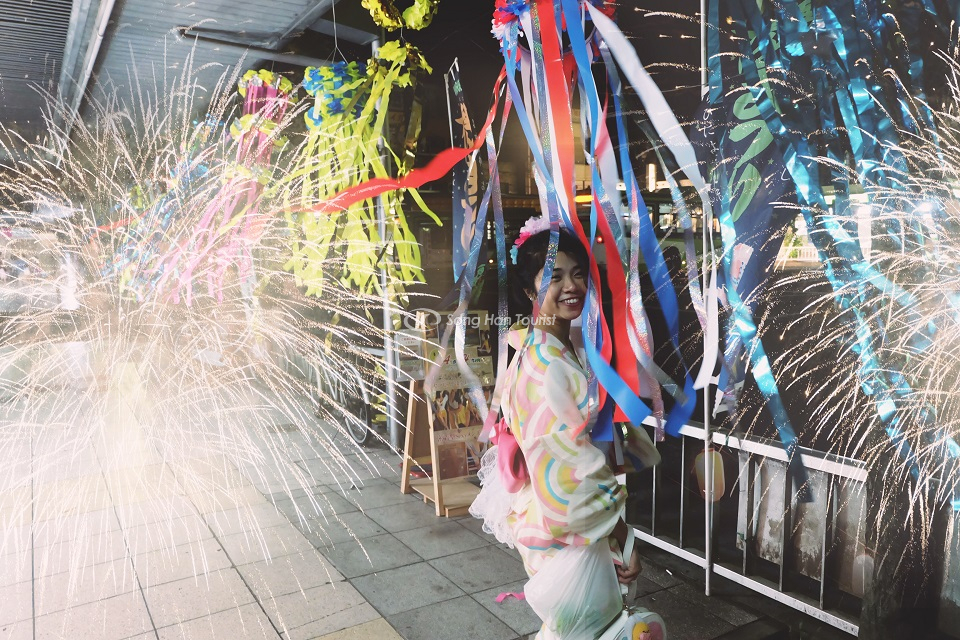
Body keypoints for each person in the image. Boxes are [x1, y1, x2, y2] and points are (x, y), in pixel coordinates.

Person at [472, 220, 642, 639]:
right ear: (531, 291)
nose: (571, 285)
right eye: (554, 276)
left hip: (545, 514)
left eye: (578, 273)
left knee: (571, 629)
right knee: (587, 629)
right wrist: (622, 535)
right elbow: (567, 468)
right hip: (563, 520)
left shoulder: (534, 347)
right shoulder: (550, 367)